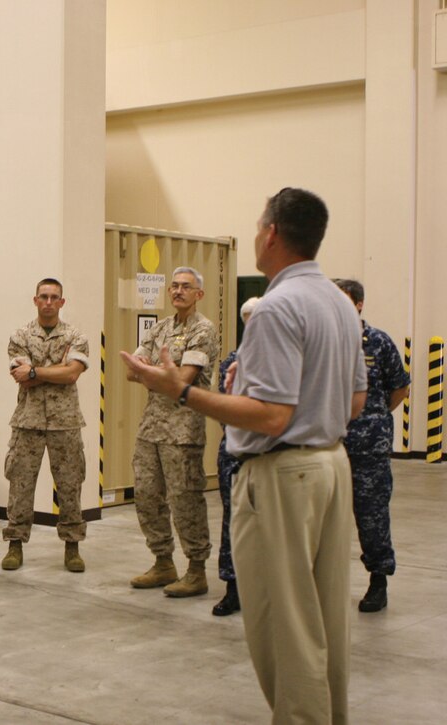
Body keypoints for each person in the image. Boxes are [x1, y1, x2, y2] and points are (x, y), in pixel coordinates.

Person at [122, 187, 366, 724]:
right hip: (329, 464)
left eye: (259, 225)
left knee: (285, 627)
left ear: (272, 233)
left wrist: (180, 391)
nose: (256, 233)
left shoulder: (279, 306)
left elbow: (272, 415)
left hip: (283, 476)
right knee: (324, 621)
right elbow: (354, 400)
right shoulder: (339, 304)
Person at [126, 266, 218, 597]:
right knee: (147, 495)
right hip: (151, 426)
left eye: (186, 287)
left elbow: (183, 379)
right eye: (175, 286)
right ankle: (163, 561)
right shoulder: (160, 328)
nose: (178, 291)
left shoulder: (203, 331)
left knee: (184, 499)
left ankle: (196, 569)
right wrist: (158, 372)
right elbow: (131, 371)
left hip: (183, 429)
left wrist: (153, 372)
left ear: (199, 294)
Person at [1, 278, 89, 572]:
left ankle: (72, 547)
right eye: (44, 297)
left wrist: (36, 371)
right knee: (20, 485)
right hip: (28, 421)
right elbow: (20, 375)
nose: (49, 302)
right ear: (35, 300)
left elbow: (73, 375)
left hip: (66, 422)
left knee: (70, 485)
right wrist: (57, 369)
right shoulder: (20, 336)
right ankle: (15, 544)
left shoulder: (76, 336)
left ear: (62, 302)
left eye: (54, 297)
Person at [335, 279, 409, 613]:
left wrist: (372, 417)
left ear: (360, 304)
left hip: (369, 446)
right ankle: (324, 583)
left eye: (344, 300)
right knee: (324, 517)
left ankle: (378, 580)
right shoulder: (322, 340)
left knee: (372, 515)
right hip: (328, 443)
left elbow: (399, 388)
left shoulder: (378, 342)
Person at [212, 296, 259, 617]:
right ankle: (233, 587)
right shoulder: (232, 360)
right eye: (249, 319)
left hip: (270, 455)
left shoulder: (286, 358)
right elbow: (223, 407)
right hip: (234, 451)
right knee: (233, 519)